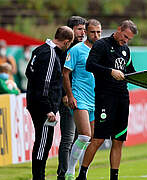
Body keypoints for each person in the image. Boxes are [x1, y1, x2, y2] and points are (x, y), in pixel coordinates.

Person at [76, 20, 138, 180]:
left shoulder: (126, 50)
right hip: (105, 97)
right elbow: (90, 65)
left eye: (129, 39)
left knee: (118, 140)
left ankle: (114, 177)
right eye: (124, 36)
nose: (125, 41)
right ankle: (82, 174)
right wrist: (110, 71)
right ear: (119, 29)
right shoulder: (101, 44)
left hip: (122, 98)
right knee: (98, 138)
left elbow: (131, 73)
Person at [25, 26, 74, 180]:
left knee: (43, 141)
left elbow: (29, 72)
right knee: (43, 144)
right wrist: (48, 108)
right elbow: (45, 84)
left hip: (35, 102)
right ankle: (39, 177)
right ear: (66, 42)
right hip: (43, 107)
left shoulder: (39, 50)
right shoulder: (51, 55)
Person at [63, 19, 102, 180]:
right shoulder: (77, 50)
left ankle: (82, 173)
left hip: (96, 99)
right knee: (84, 135)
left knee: (92, 139)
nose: (96, 35)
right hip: (80, 98)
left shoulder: (102, 50)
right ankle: (70, 171)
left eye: (99, 32)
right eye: (93, 32)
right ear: (86, 32)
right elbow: (65, 73)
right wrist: (70, 95)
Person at [57, 16, 87, 180]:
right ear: (70, 31)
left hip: (83, 100)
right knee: (68, 139)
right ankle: (63, 174)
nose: (83, 32)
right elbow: (61, 75)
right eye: (79, 29)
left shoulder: (84, 48)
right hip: (68, 100)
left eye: (84, 29)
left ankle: (73, 173)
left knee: (80, 138)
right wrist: (65, 95)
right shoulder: (65, 50)